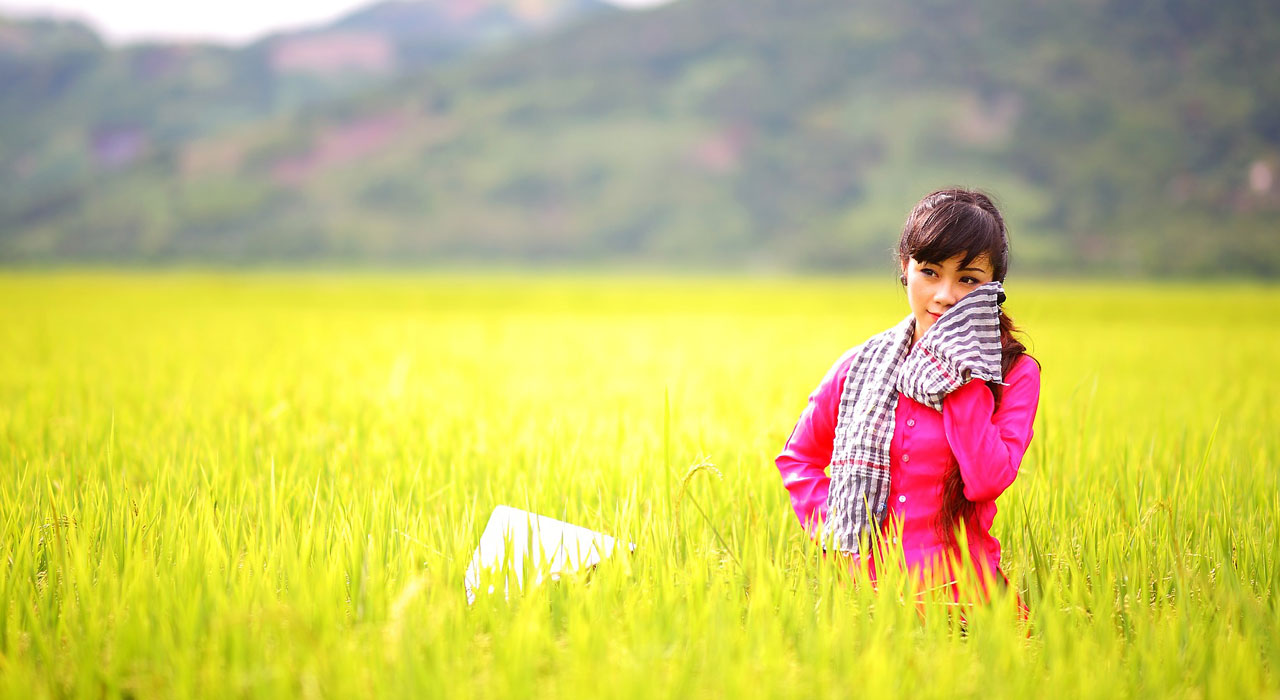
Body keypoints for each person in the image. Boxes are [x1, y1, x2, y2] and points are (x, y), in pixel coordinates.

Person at [775, 187, 1040, 601]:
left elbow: (986, 480)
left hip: (965, 602)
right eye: (930, 271)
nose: (945, 295)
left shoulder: (1012, 375)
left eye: (968, 279)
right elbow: (798, 459)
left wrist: (959, 374)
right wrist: (840, 525)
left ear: (994, 288)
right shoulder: (860, 365)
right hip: (863, 604)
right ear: (906, 267)